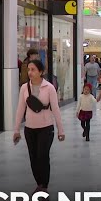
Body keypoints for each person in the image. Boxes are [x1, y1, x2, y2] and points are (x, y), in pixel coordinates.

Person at [13, 59, 65, 192]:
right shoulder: (25, 88)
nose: (30, 72)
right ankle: (39, 183)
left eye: (33, 70)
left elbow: (56, 109)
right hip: (30, 129)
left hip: (46, 128)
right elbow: (20, 108)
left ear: (41, 72)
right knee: (33, 157)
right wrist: (16, 129)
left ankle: (44, 186)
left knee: (42, 156)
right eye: (28, 70)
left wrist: (61, 130)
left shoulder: (49, 88)